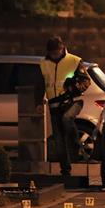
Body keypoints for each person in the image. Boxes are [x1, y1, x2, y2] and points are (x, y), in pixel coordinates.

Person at [37, 36, 88, 177]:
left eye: (56, 51)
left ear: (62, 48)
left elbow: (86, 81)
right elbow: (40, 84)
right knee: (59, 140)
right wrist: (38, 103)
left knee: (67, 119)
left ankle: (76, 144)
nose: (54, 55)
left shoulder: (74, 60)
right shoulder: (43, 63)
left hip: (74, 100)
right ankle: (65, 170)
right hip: (54, 105)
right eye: (52, 52)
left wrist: (74, 87)